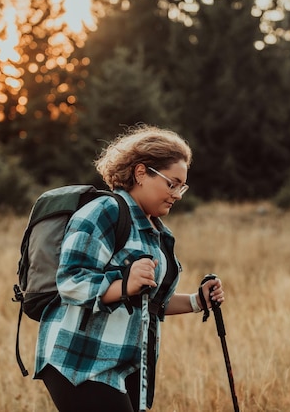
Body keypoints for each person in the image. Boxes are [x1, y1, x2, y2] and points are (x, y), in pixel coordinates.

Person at [34, 124, 225, 411]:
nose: (178, 194)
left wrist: (199, 301)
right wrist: (123, 284)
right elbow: (71, 281)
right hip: (81, 360)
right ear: (140, 173)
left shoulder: (157, 232)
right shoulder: (105, 211)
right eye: (171, 183)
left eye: (182, 186)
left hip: (126, 366)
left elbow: (150, 302)